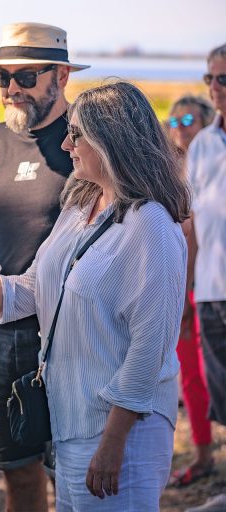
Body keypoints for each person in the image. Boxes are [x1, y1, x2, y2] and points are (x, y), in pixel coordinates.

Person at [0, 81, 189, 511]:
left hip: (122, 433)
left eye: (78, 134)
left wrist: (112, 444)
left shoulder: (151, 226)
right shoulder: (80, 207)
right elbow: (31, 289)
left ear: (112, 140)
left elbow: (151, 348)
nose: (67, 144)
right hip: (71, 420)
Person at [0, 22, 88, 511]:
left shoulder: (87, 140)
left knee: (74, 478)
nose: (11, 89)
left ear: (60, 76)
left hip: (69, 332)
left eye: (25, 77)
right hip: (1, 330)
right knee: (17, 473)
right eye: (2, 77)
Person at [164, 95, 216, 488]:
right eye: (173, 119)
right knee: (191, 378)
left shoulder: (212, 168)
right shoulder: (162, 174)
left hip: (209, 285)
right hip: (178, 287)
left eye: (188, 118)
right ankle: (202, 454)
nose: (179, 126)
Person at [184, 43, 226, 512]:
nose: (215, 88)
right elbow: (191, 224)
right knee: (223, 396)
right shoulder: (204, 144)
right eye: (210, 78)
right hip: (212, 290)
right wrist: (186, 288)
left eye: (224, 79)